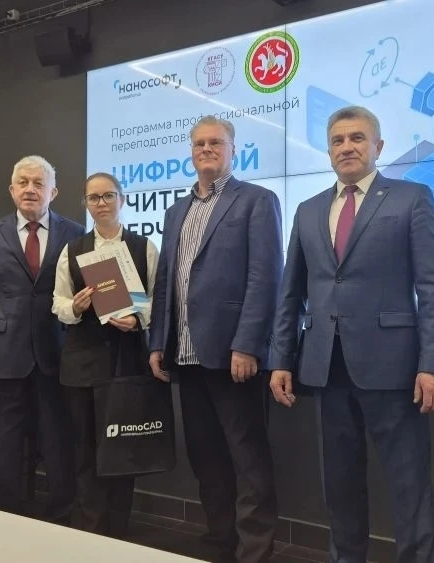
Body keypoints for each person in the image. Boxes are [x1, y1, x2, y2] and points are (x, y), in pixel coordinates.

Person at [268, 106, 434, 563]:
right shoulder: (308, 210)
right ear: (328, 150)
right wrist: (280, 359)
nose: (346, 147)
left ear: (378, 146)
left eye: (357, 138)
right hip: (325, 368)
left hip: (394, 369)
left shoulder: (412, 198)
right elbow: (290, 293)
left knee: (409, 485)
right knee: (340, 485)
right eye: (338, 140)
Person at [148, 116, 283, 563]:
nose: (206, 149)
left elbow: (266, 278)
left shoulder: (256, 201)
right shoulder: (175, 211)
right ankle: (220, 542)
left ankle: (254, 552)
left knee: (248, 459)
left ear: (233, 149)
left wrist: (247, 344)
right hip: (186, 356)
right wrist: (157, 342)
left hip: (232, 356)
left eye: (216, 143)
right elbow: (166, 282)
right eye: (199, 143)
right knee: (205, 457)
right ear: (191, 151)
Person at [0, 155, 84, 522]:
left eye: (39, 183)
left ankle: (62, 517)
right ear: (12, 190)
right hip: (3, 354)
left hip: (57, 353)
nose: (31, 189)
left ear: (53, 192)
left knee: (59, 441)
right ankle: (6, 517)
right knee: (5, 443)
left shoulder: (75, 233)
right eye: (24, 182)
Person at [52, 172, 158, 538]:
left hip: (127, 364)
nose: (101, 203)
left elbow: (158, 300)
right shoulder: (73, 249)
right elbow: (58, 302)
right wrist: (76, 307)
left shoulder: (144, 247)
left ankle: (118, 531)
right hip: (82, 365)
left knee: (122, 451)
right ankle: (88, 531)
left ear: (122, 199)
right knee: (84, 451)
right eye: (94, 197)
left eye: (108, 195)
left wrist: (138, 318)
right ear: (85, 203)